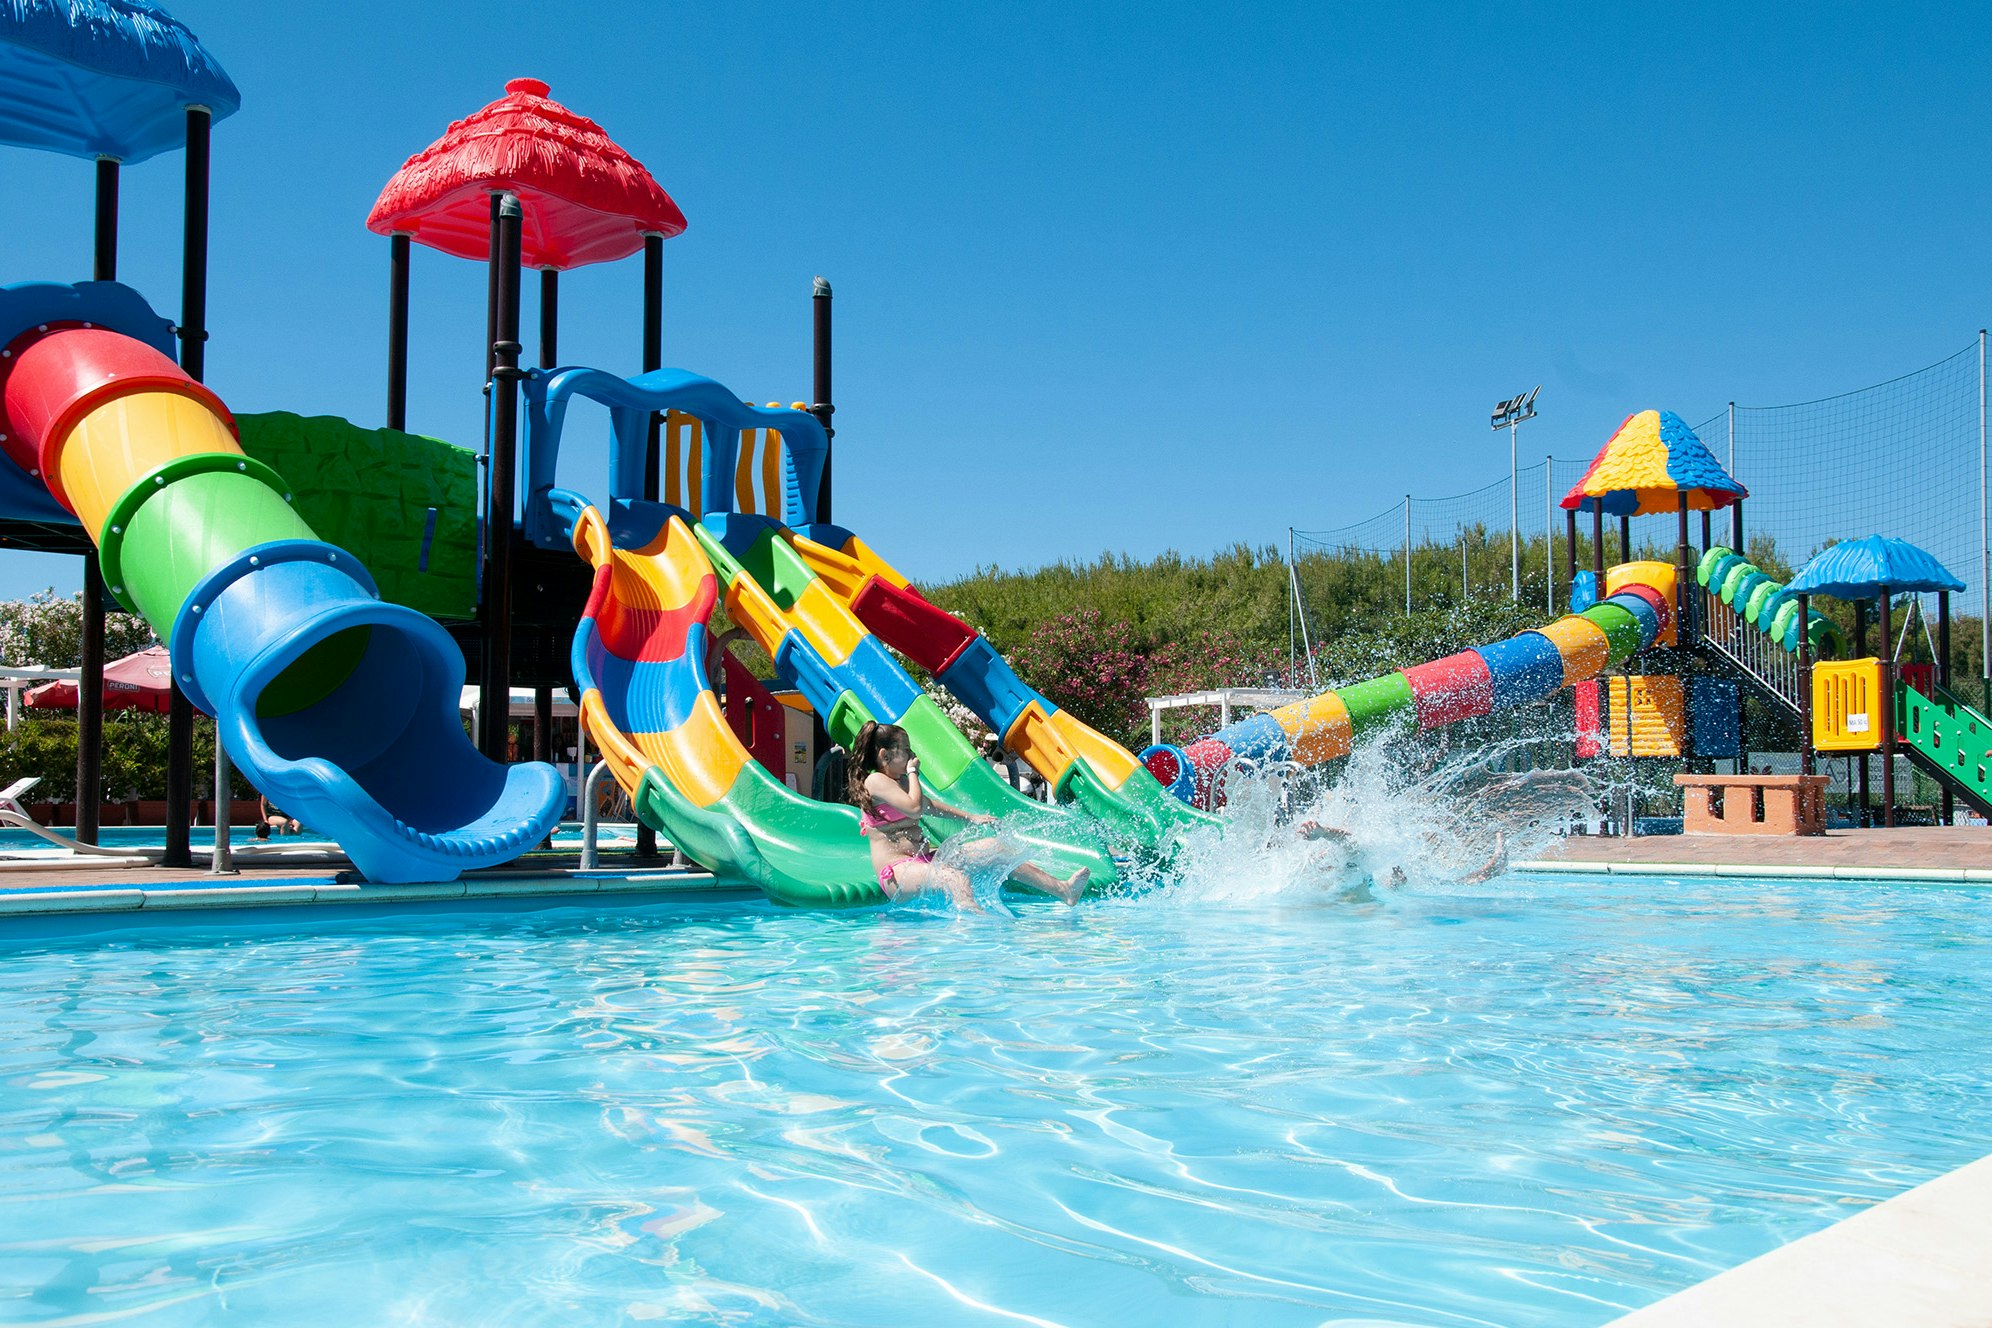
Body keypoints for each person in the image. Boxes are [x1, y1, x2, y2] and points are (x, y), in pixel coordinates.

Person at [848, 720, 1087, 909]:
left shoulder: (899, 782)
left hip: (924, 861)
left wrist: (971, 817)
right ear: (885, 755)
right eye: (906, 750)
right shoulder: (875, 780)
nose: (912, 756)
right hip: (897, 873)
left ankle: (1064, 890)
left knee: (998, 849)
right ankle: (975, 936)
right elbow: (915, 808)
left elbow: (929, 806)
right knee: (954, 878)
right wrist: (913, 773)